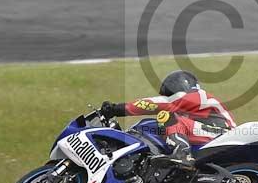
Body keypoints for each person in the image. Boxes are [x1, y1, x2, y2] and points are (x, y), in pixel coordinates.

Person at [99, 70, 236, 167]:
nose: (169, 96)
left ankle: (182, 154)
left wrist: (116, 109)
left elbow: (158, 104)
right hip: (210, 136)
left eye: (170, 93)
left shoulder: (198, 95)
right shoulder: (192, 109)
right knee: (152, 124)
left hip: (220, 134)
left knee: (165, 116)